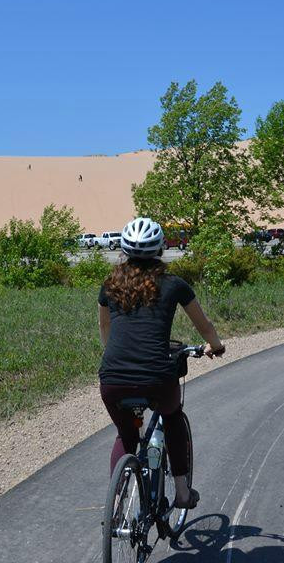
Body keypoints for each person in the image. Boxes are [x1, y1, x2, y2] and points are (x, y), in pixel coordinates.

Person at [98, 217, 226, 509]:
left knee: (126, 435)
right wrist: (215, 347)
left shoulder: (109, 285)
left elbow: (105, 330)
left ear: (124, 251)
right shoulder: (174, 285)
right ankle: (182, 493)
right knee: (172, 418)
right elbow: (204, 326)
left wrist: (116, 358)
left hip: (112, 379)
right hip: (158, 376)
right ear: (160, 249)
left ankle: (115, 504)